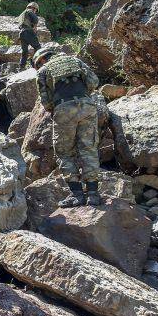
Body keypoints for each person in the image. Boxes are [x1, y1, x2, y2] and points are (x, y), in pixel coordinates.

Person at [33, 45, 102, 208]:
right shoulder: (75, 61)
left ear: (42, 59)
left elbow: (46, 101)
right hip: (87, 105)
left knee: (64, 152)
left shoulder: (43, 71)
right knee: (89, 148)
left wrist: (57, 107)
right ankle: (93, 194)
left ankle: (77, 195)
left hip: (64, 109)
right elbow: (94, 82)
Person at [18, 2, 42, 69]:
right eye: (35, 10)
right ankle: (36, 64)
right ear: (34, 8)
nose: (35, 12)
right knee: (38, 48)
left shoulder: (22, 14)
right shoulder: (29, 11)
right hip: (28, 31)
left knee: (24, 52)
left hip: (21, 33)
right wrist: (34, 26)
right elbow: (36, 20)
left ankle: (21, 67)